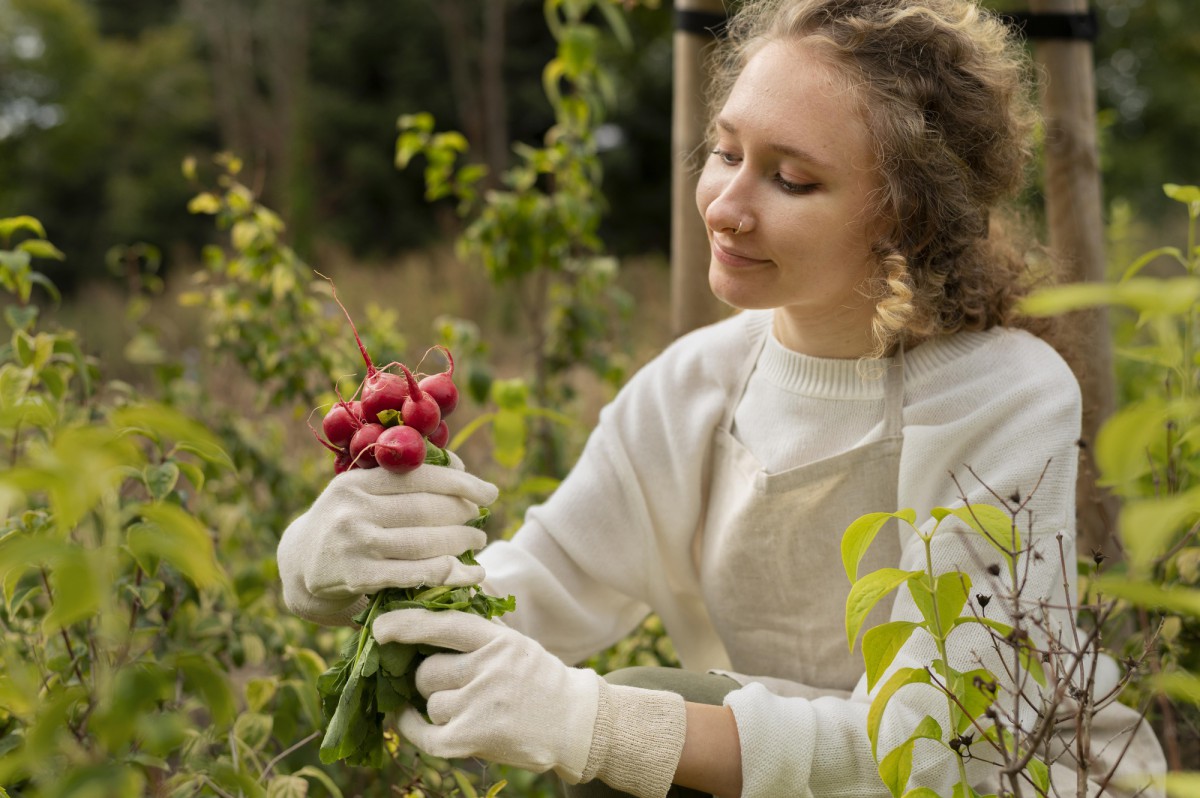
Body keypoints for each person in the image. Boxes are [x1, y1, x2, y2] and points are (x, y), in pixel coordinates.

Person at [277, 0, 1166, 795]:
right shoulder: (693, 385)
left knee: (644, 708)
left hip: (1024, 786)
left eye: (791, 179)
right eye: (726, 153)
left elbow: (943, 752)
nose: (726, 205)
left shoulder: (1000, 393)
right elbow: (539, 593)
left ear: (905, 214)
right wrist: (349, 572)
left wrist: (604, 724)